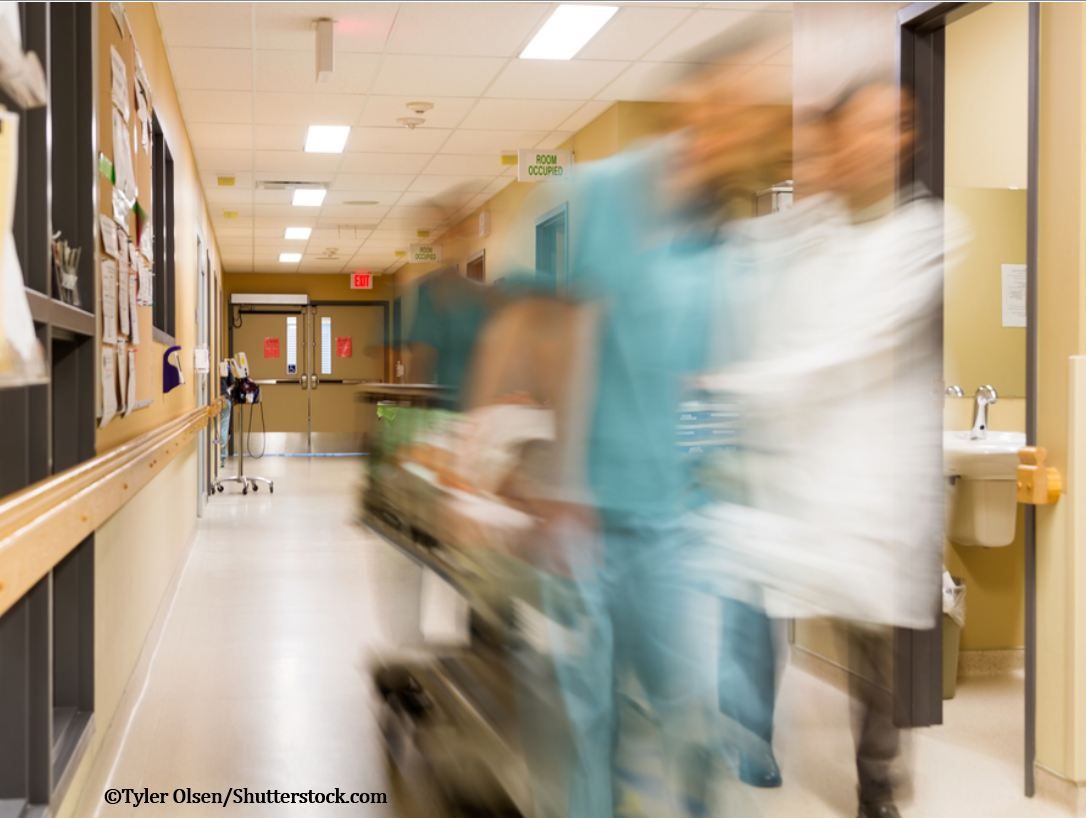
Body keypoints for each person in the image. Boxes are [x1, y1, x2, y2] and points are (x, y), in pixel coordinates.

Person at [532, 15, 794, 818]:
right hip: (589, 513)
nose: (732, 128)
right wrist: (559, 488)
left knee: (687, 714)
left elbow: (715, 377)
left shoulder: (725, 236)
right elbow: (563, 337)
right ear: (688, 101)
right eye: (724, 103)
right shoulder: (601, 192)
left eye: (752, 115)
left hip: (680, 518)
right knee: (592, 721)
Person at [689, 75, 957, 818]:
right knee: (744, 592)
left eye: (893, 125)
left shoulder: (926, 234)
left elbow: (850, 343)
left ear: (907, 138)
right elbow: (744, 271)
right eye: (859, 127)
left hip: (870, 480)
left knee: (873, 643)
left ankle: (878, 787)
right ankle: (742, 737)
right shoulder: (810, 231)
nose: (877, 140)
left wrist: (737, 382)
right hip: (794, 470)